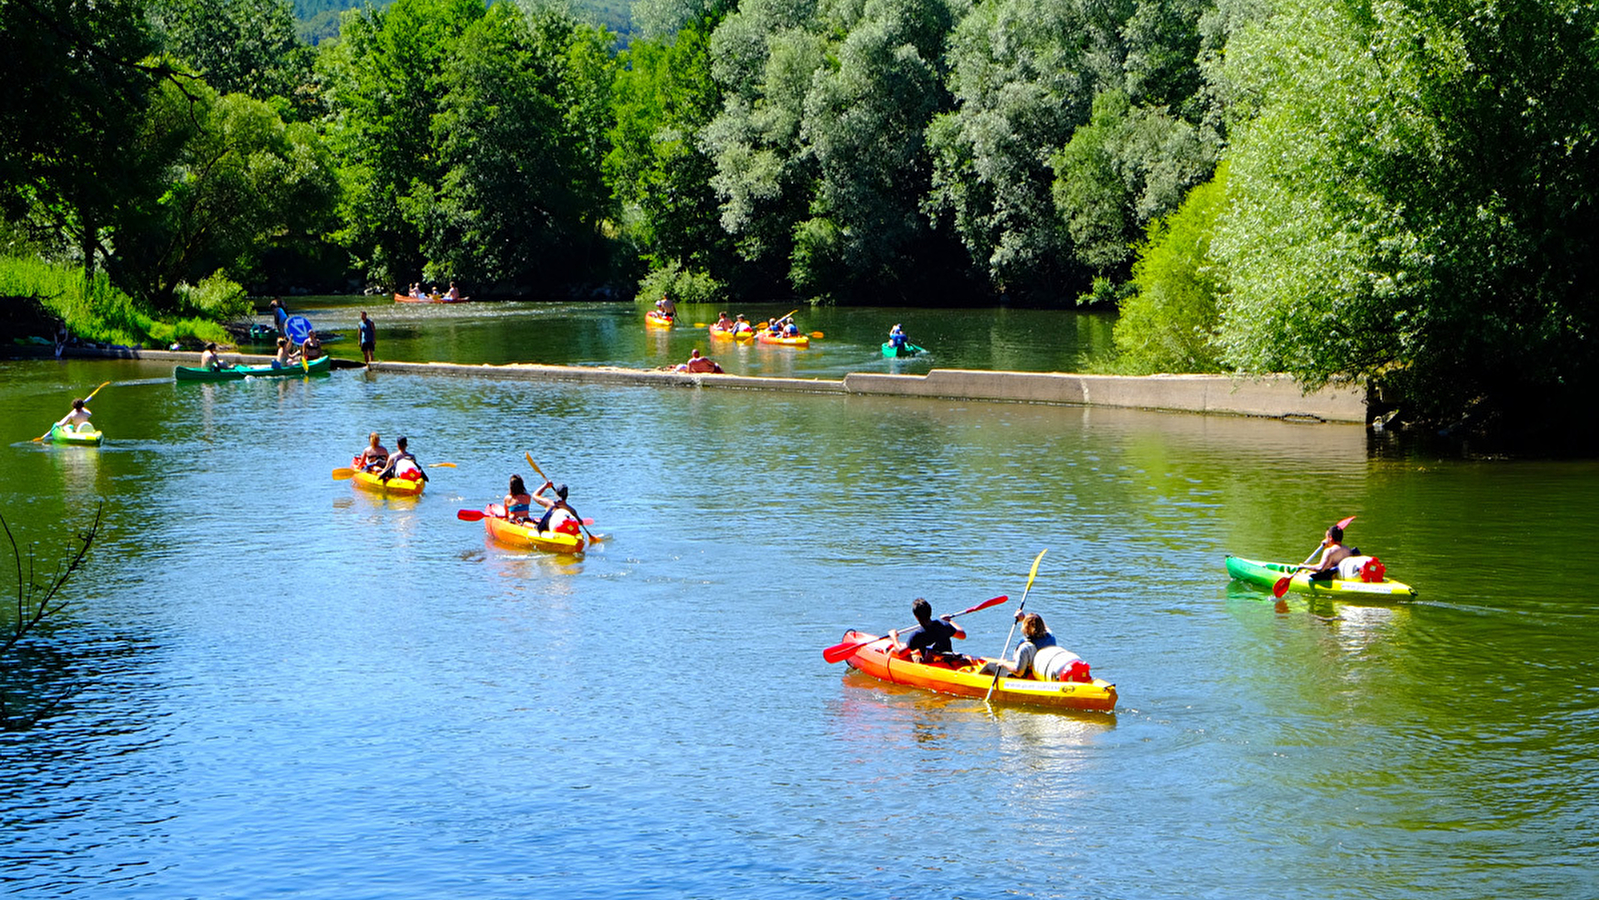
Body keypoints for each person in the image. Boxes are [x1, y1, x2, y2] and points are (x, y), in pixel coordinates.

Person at [978, 613, 1086, 681]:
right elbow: (1042, 625)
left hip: (1028, 675)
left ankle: (977, 683)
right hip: (1047, 669)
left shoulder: (1026, 647)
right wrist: (1024, 617)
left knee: (990, 666)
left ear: (1025, 628)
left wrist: (1004, 663)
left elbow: (1019, 671)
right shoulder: (1050, 636)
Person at [887, 598, 969, 666]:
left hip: (931, 663)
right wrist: (949, 621)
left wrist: (894, 637)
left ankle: (885, 662)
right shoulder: (944, 625)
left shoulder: (918, 635)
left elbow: (900, 652)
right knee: (916, 650)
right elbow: (962, 635)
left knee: (894, 650)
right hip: (947, 659)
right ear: (930, 612)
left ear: (916, 617)